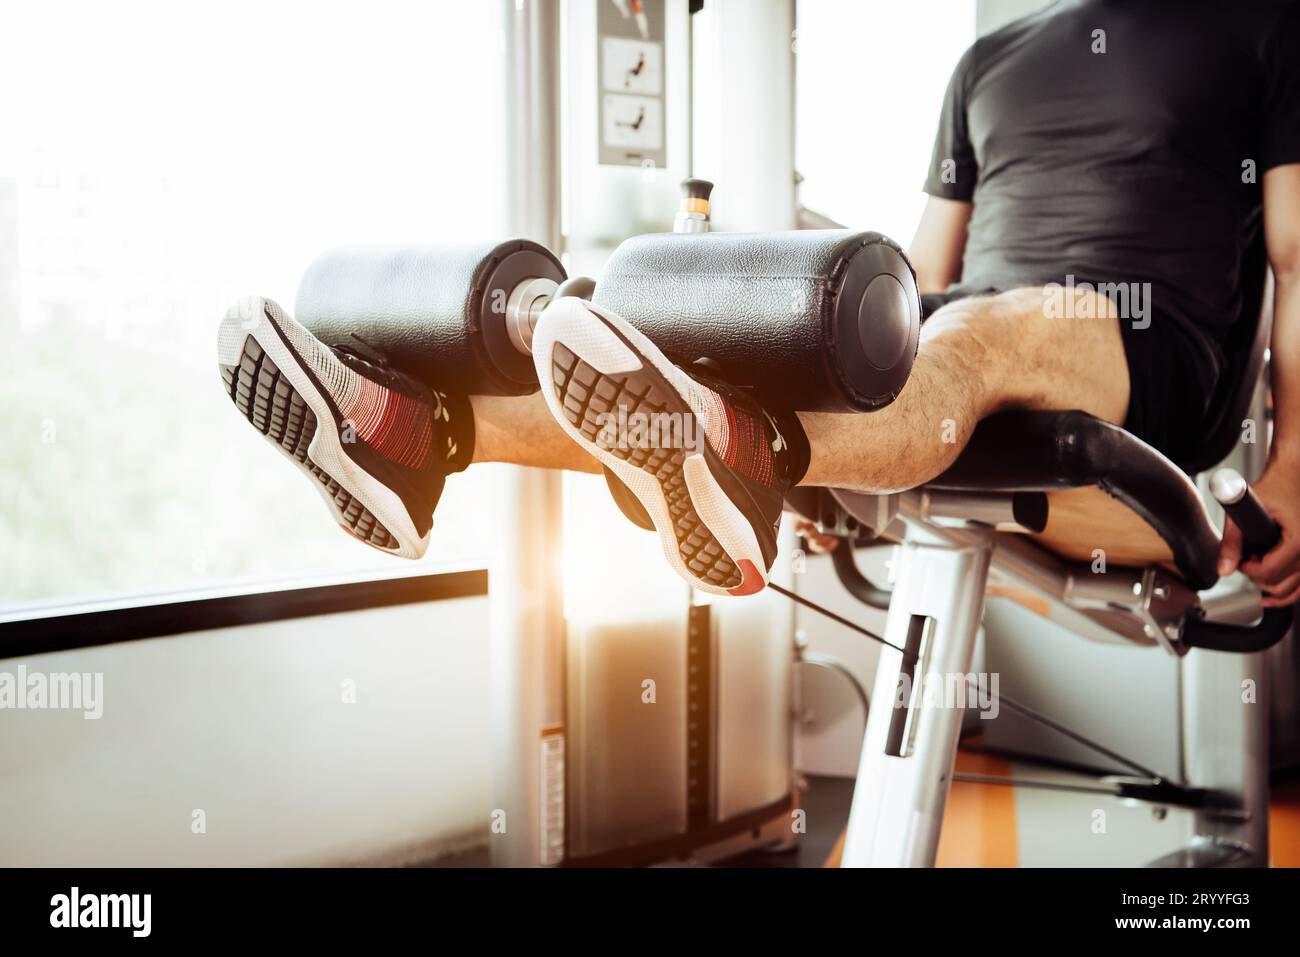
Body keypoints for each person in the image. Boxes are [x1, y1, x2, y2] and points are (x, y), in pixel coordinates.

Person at [217, 0, 1300, 602]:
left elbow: (1296, 264)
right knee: (670, 323)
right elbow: (921, 276)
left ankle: (740, 449)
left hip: (1147, 370)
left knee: (978, 325)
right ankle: (419, 435)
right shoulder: (991, 61)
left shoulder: (1264, 30)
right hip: (970, 333)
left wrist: (1290, 471)